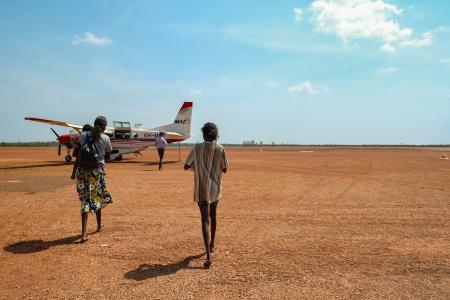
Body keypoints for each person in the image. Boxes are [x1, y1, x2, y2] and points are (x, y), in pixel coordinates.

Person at [184, 122, 229, 268]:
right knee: (213, 216)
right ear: (216, 135)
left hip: (201, 188)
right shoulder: (220, 149)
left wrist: (198, 165)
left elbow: (186, 166)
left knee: (205, 219)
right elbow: (225, 169)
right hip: (215, 189)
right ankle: (212, 245)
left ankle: (208, 257)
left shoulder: (197, 148)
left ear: (203, 134)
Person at [76, 116, 113, 243]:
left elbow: (78, 152)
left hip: (81, 172)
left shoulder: (83, 135)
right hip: (96, 173)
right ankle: (98, 225)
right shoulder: (105, 138)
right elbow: (108, 155)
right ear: (104, 127)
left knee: (85, 200)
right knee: (99, 196)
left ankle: (84, 233)